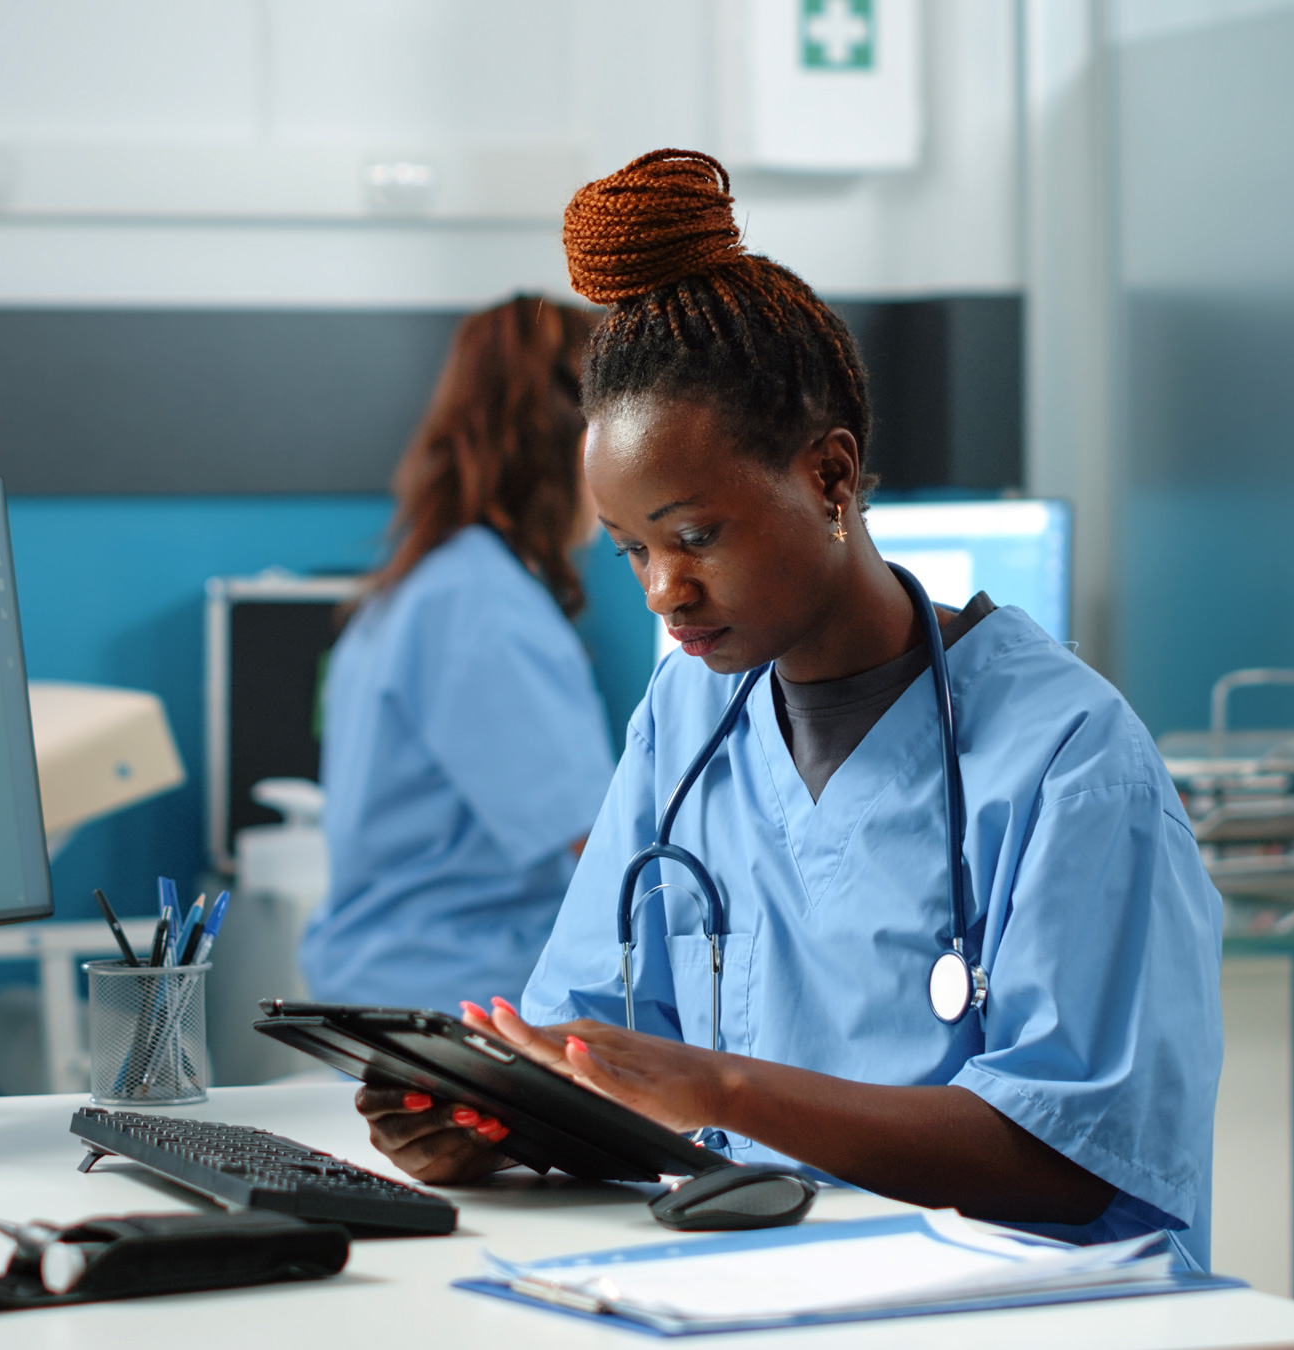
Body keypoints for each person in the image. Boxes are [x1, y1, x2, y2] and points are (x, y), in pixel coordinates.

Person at [354, 151, 1226, 1262]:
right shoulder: (685, 712)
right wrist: (500, 1124)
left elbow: (1066, 1159)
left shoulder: (1069, 756)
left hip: (1018, 1315)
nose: (665, 589)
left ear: (830, 476)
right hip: (756, 1283)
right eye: (631, 551)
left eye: (695, 535)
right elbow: (602, 1049)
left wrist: (723, 1087)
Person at [298, 295, 616, 1013]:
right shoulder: (484, 607)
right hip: (463, 1006)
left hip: (393, 989)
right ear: (571, 437)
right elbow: (605, 855)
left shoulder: (423, 588)